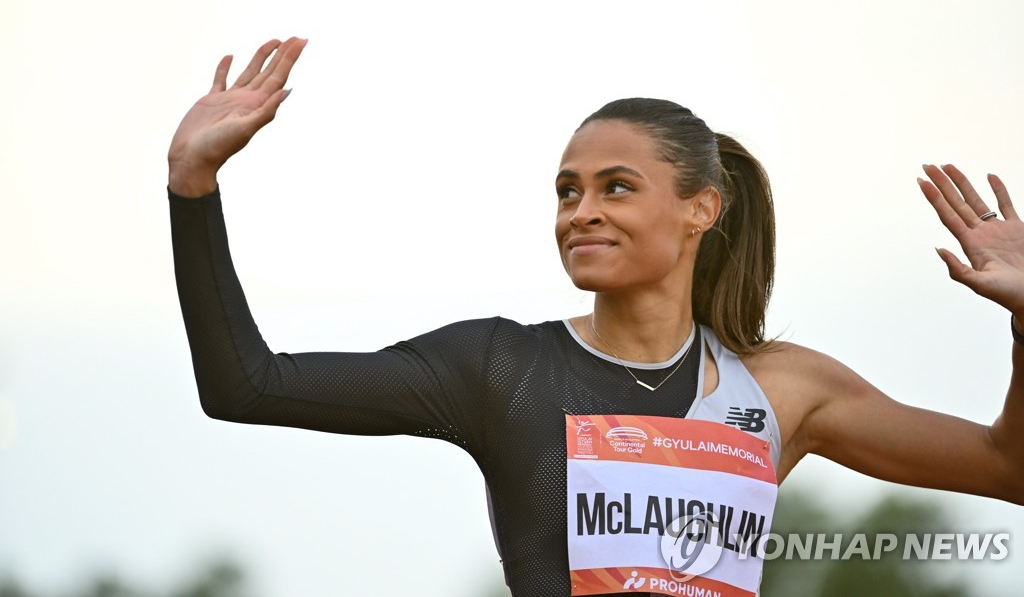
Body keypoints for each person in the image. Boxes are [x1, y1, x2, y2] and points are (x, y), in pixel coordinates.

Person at [168, 37, 1024, 597]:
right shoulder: (498, 369)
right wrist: (192, 188)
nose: (581, 210)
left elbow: (1006, 467)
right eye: (567, 191)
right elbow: (246, 384)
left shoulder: (782, 389)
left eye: (617, 186)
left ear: (701, 209)